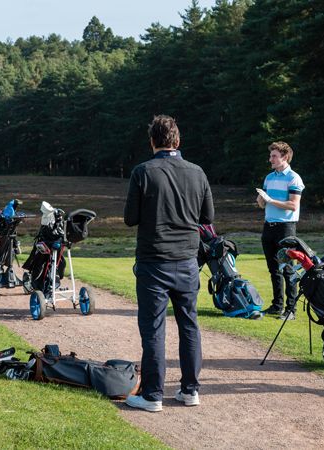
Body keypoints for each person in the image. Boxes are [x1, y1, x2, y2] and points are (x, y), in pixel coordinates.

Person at [123, 115, 214, 412]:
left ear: (153, 141)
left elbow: (130, 218)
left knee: (153, 329)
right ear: (178, 140)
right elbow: (207, 217)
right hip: (187, 260)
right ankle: (190, 390)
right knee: (189, 325)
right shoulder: (197, 172)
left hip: (154, 260)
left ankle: (153, 395)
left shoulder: (143, 172)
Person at [256, 141, 304, 320]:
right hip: (269, 226)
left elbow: (293, 205)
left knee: (288, 269)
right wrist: (261, 199)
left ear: (285, 157)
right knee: (273, 268)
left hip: (286, 228)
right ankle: (277, 306)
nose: (270, 159)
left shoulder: (294, 178)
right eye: (271, 156)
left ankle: (291, 310)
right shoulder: (269, 177)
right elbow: (262, 203)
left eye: (274, 156)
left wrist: (269, 199)